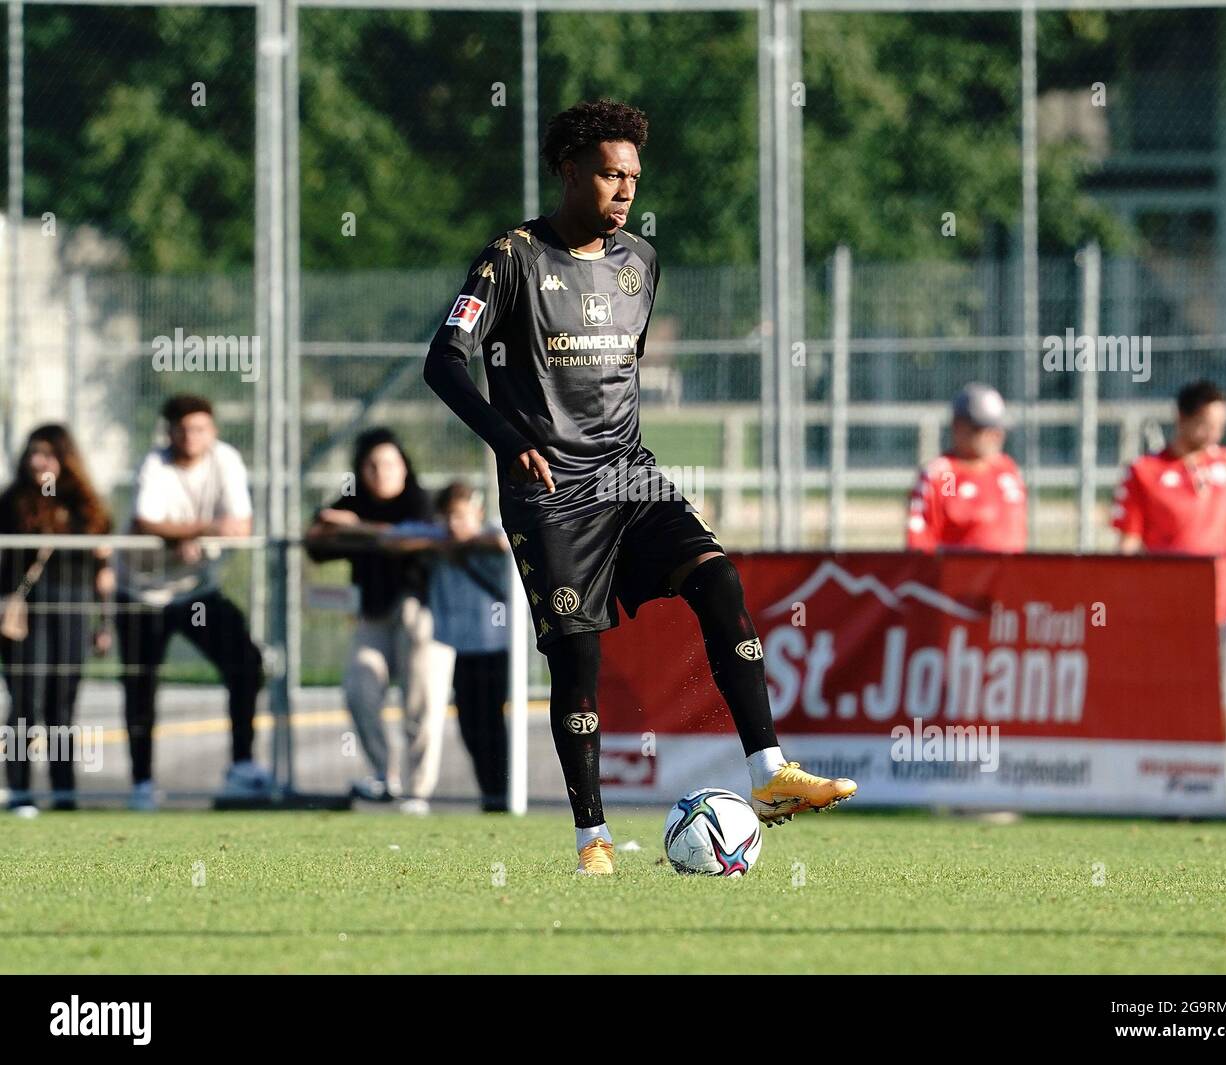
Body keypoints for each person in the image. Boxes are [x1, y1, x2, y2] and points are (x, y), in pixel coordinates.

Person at [423, 99, 856, 874]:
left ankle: (769, 773)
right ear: (568, 170)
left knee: (719, 579)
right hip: (550, 491)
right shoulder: (512, 257)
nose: (624, 189)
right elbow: (444, 359)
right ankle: (592, 839)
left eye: (632, 176)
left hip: (628, 471)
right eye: (609, 173)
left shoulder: (641, 263)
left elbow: (618, 377)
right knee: (578, 663)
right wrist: (508, 436)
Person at [115, 394, 267, 810]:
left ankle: (242, 766)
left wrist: (185, 533)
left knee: (247, 663)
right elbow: (146, 520)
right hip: (140, 593)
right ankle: (142, 783)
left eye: (200, 428)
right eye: (183, 429)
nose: (191, 437)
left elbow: (240, 525)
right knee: (140, 687)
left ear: (212, 430)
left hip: (196, 592)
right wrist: (197, 532)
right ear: (170, 433)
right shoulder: (154, 465)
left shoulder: (226, 461)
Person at [304, 428, 456, 815]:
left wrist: (356, 528)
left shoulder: (416, 498)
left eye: (389, 463)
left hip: (419, 612)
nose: (381, 472)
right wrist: (336, 526)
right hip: (373, 612)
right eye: (371, 465)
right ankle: (384, 777)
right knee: (359, 688)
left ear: (404, 466)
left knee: (421, 701)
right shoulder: (355, 498)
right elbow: (316, 537)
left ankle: (418, 791)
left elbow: (411, 537)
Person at [1112, 379, 1226, 732]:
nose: (1213, 433)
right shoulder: (1145, 472)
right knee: (1163, 710)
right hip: (1164, 616)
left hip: (1221, 612)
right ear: (1181, 418)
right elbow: (1127, 545)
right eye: (1205, 424)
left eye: (1219, 425)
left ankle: (1222, 780)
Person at [0, 426, 114, 812]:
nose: (38, 462)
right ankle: (20, 790)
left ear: (64, 458)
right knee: (25, 702)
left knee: (62, 703)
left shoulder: (84, 505)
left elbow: (103, 570)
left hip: (73, 608)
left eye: (47, 454)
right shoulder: (12, 502)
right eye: (33, 453)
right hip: (26, 615)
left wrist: (103, 624)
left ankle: (64, 792)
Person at [428, 481, 511, 812]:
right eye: (449, 516)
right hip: (462, 649)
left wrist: (466, 544)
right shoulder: (438, 543)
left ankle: (504, 793)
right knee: (469, 725)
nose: (453, 524)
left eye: (460, 516)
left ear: (476, 513)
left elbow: (502, 543)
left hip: (496, 647)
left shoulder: (492, 534)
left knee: (492, 724)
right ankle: (488, 793)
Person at [906, 383, 1027, 553]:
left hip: (1007, 575)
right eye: (983, 429)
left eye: (998, 428)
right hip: (960, 575)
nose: (996, 436)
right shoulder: (947, 475)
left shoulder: (1006, 470)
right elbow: (942, 517)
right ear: (959, 427)